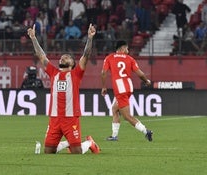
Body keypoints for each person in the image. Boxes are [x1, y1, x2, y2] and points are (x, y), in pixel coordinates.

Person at [27, 23, 100, 154]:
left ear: (72, 64)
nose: (63, 57)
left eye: (67, 57)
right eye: (62, 56)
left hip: (70, 117)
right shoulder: (53, 72)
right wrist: (33, 38)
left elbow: (86, 55)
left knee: (76, 151)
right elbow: (41, 55)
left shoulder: (76, 73)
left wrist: (90, 38)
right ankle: (68, 142)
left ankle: (89, 142)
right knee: (48, 151)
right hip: (54, 117)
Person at [101, 40, 153, 142]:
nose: (128, 51)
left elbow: (103, 72)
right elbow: (140, 74)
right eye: (127, 48)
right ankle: (114, 136)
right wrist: (146, 81)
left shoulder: (109, 58)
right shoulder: (130, 59)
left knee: (127, 117)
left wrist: (103, 87)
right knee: (115, 109)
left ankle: (146, 131)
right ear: (122, 48)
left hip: (120, 89)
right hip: (128, 87)